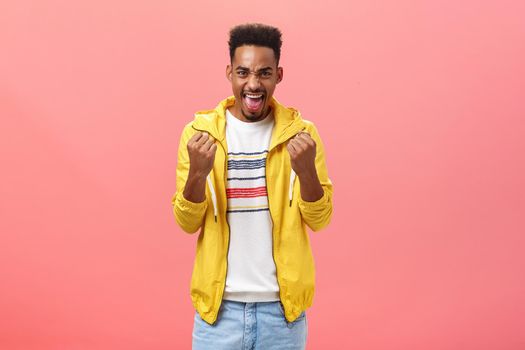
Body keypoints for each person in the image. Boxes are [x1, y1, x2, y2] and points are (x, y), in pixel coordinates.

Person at [171, 23, 333, 350]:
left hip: (282, 315)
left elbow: (320, 219)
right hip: (218, 314)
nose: (253, 84)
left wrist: (306, 173)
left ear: (279, 75)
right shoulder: (199, 134)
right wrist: (198, 175)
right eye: (243, 72)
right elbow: (186, 223)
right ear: (230, 72)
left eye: (264, 73)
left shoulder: (302, 135)